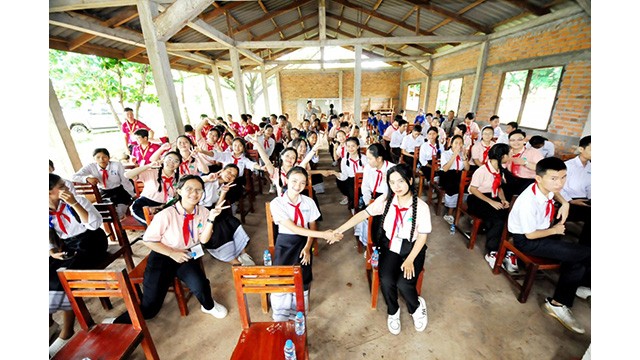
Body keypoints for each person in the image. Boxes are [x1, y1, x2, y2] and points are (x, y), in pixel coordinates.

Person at [112, 175, 230, 324]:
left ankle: (208, 306)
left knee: (200, 285)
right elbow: (148, 240)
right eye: (189, 189)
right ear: (179, 191)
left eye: (199, 190)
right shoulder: (166, 214)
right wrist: (171, 253)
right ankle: (115, 322)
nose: (194, 193)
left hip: (186, 253)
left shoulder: (204, 212)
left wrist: (211, 218)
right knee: (150, 308)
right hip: (163, 254)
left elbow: (203, 240)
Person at [331, 164, 429, 335]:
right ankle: (393, 311)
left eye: (400, 181)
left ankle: (416, 306)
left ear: (410, 181)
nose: (396, 186)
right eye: (392, 183)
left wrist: (410, 259)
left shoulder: (421, 207)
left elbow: (422, 236)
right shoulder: (385, 200)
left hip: (412, 249)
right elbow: (363, 214)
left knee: (404, 284)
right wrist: (339, 230)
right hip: (390, 246)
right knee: (387, 280)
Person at [508, 157, 590, 334]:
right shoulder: (528, 202)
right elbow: (530, 235)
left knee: (578, 258)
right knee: (584, 254)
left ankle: (566, 297)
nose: (560, 183)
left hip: (544, 234)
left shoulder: (545, 189)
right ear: (538, 178)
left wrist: (566, 203)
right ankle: (560, 302)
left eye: (563, 177)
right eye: (554, 178)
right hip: (529, 241)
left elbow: (556, 192)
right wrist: (555, 230)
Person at [269, 167, 342, 320]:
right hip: (285, 242)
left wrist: (308, 247)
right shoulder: (277, 203)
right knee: (282, 276)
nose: (298, 185)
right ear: (286, 180)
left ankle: (299, 309)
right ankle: (281, 313)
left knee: (304, 275)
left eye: (302, 182)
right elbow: (294, 228)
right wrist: (324, 235)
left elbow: (312, 225)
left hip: (305, 241)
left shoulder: (309, 202)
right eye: (294, 181)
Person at [49, 173, 108, 357]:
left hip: (92, 241)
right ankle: (49, 323)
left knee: (65, 275)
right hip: (68, 246)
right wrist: (51, 251)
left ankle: (67, 332)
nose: (66, 187)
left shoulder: (79, 200)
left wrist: (74, 203)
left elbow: (95, 224)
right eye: (61, 186)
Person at [465, 144, 517, 271]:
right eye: (509, 154)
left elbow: (498, 187)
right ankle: (492, 251)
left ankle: (508, 250)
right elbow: (473, 189)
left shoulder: (500, 169)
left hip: (492, 197)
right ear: (502, 156)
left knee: (510, 216)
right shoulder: (482, 170)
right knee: (498, 220)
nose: (511, 156)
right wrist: (491, 202)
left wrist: (503, 199)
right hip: (477, 199)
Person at [199, 165, 254, 265]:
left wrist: (224, 192)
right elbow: (193, 181)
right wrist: (206, 178)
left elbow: (217, 206)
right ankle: (235, 262)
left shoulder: (222, 186)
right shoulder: (209, 180)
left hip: (212, 210)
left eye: (233, 175)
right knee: (219, 228)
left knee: (233, 222)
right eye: (228, 171)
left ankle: (243, 255)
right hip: (199, 212)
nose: (230, 175)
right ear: (222, 171)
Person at [72, 148, 136, 219]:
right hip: (104, 193)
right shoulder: (91, 166)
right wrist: (86, 178)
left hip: (119, 191)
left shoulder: (117, 165)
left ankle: (121, 225)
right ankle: (113, 227)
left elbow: (125, 181)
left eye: (104, 157)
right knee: (105, 214)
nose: (101, 160)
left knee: (119, 213)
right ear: (94, 158)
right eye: (98, 157)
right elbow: (74, 176)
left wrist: (132, 194)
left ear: (109, 157)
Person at [125, 151, 182, 225]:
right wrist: (148, 166)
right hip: (142, 206)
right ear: (163, 159)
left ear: (179, 164)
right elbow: (127, 175)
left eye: (176, 161)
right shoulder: (152, 172)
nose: (172, 162)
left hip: (164, 208)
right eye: (169, 159)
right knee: (155, 226)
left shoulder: (179, 178)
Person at [357, 143, 396, 246]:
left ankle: (380, 245)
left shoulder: (392, 169)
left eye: (370, 158)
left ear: (379, 159)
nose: (367, 161)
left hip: (388, 199)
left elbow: (395, 191)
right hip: (372, 198)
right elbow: (365, 187)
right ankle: (369, 243)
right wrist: (368, 201)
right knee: (366, 217)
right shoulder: (368, 168)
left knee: (382, 222)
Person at [560, 135, 591, 246]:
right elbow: (558, 188)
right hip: (567, 201)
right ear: (581, 149)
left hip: (584, 201)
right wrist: (571, 201)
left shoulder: (590, 167)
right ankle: (584, 248)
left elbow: (590, 187)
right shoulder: (568, 166)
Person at [503, 129, 544, 200]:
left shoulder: (533, 152)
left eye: (519, 139)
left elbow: (543, 168)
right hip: (509, 178)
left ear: (524, 140)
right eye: (512, 140)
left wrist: (526, 163)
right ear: (509, 141)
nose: (516, 142)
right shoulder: (507, 152)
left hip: (527, 182)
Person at [440, 134, 471, 224]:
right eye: (456, 143)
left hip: (459, 175)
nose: (458, 145)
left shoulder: (462, 154)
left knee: (467, 187)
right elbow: (445, 168)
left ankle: (460, 208)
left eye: (460, 143)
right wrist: (454, 155)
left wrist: (464, 157)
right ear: (451, 144)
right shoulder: (445, 154)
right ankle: (449, 213)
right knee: (453, 187)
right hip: (447, 175)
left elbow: (467, 168)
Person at [335, 136, 365, 209]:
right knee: (341, 181)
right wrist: (335, 173)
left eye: (353, 146)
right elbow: (344, 176)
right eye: (348, 146)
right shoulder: (344, 160)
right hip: (351, 181)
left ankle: (361, 201)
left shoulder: (364, 158)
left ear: (358, 146)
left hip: (364, 180)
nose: (351, 148)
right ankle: (353, 200)